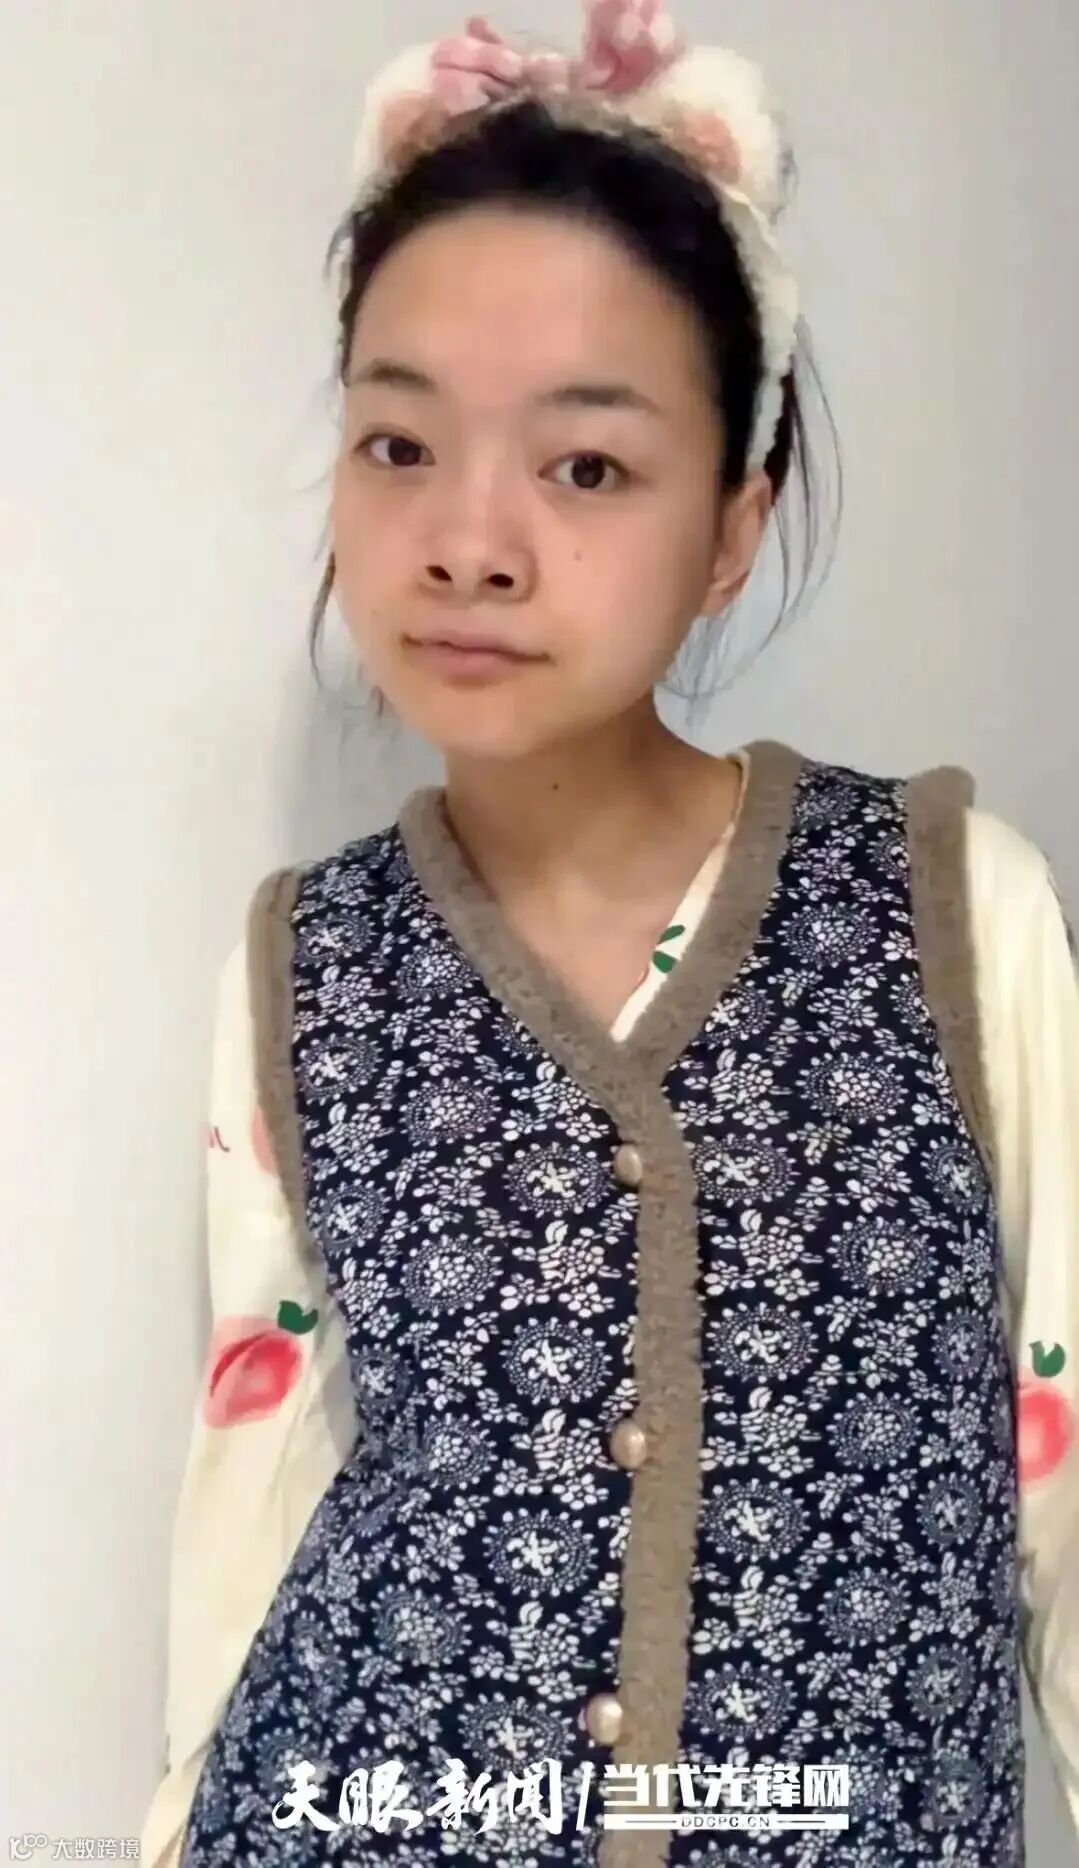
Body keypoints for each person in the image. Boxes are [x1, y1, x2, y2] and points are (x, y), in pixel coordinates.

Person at [139, 4, 1079, 1863]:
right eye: (399, 442)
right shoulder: (302, 965)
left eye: (584, 467)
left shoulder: (953, 908)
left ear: (733, 526)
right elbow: (262, 1481)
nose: (467, 541)